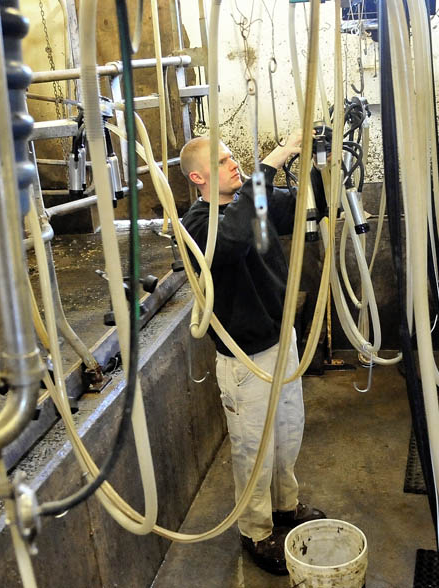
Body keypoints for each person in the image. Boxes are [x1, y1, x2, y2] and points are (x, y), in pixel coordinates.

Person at [179, 131, 325, 576]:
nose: (233, 164)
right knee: (253, 450)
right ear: (200, 177)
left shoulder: (251, 202)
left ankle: (285, 506)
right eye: (223, 161)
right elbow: (234, 239)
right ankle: (257, 532)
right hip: (245, 359)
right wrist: (273, 159)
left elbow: (300, 209)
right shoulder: (198, 225)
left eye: (232, 158)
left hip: (282, 341)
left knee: (287, 433)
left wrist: (323, 163)